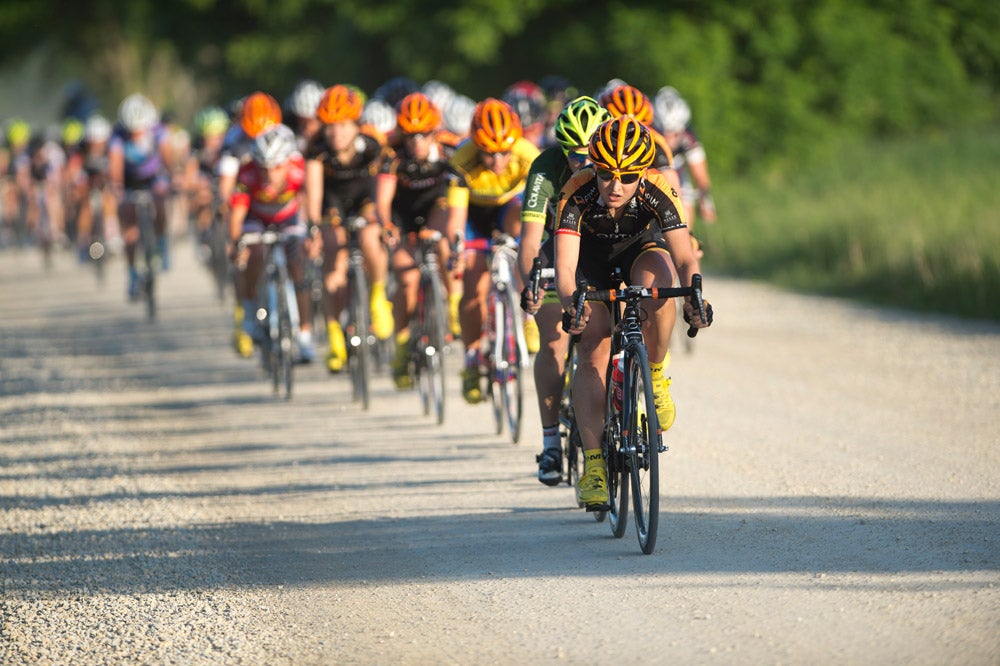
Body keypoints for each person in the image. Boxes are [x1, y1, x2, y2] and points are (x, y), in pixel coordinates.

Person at [554, 115, 713, 509]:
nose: (615, 185)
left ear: (643, 172)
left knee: (660, 285)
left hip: (641, 250)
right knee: (593, 346)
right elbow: (564, 267)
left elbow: (684, 257)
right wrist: (573, 304)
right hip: (589, 263)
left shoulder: (658, 188)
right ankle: (593, 465)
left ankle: (655, 374)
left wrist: (694, 296)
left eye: (627, 176)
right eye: (606, 174)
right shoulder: (576, 191)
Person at [518, 95, 610, 485]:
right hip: (557, 251)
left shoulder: (616, 165)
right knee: (554, 341)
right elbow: (527, 241)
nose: (583, 164)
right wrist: (531, 283)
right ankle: (551, 441)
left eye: (589, 155)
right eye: (573, 156)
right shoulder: (544, 169)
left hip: (603, 249)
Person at [445, 97, 539, 404]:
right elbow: (456, 218)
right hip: (475, 215)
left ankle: (529, 316)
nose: (498, 161)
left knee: (523, 236)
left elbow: (541, 205)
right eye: (489, 154)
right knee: (473, 285)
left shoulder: (527, 154)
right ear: (477, 146)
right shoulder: (462, 159)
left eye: (503, 153)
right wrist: (457, 247)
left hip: (510, 208)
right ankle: (472, 359)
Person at [304, 84, 395, 373]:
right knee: (334, 264)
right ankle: (334, 335)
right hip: (332, 203)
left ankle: (378, 296)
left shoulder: (372, 143)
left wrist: (384, 220)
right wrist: (313, 228)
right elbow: (313, 193)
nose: (336, 133)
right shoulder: (316, 147)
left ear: (356, 124)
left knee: (370, 238)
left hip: (365, 199)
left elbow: (385, 183)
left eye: (343, 126)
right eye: (330, 127)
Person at [374, 92, 458, 388]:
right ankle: (400, 344)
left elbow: (462, 191)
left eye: (422, 135)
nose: (415, 143)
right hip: (403, 215)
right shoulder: (392, 153)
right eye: (410, 136)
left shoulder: (450, 146)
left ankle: (454, 305)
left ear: (435, 132)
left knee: (444, 242)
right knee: (406, 279)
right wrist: (385, 225)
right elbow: (383, 199)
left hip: (437, 207)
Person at [228, 124, 315, 362]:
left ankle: (305, 335)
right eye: (264, 168)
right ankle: (248, 310)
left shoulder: (299, 171)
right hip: (256, 218)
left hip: (290, 217)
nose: (270, 174)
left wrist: (310, 235)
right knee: (254, 254)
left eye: (276, 167)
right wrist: (236, 243)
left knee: (298, 266)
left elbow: (309, 203)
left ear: (287, 162)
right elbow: (236, 213)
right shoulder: (246, 174)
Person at [108, 93, 173, 299]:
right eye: (131, 131)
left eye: (139, 130)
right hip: (129, 180)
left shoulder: (158, 131)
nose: (135, 135)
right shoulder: (117, 135)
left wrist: (172, 178)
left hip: (153, 177)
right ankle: (132, 273)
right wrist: (116, 187)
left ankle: (161, 243)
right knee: (130, 229)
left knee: (160, 203)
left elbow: (167, 158)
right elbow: (115, 164)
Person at [653, 86, 716, 234]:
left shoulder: (689, 138)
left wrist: (706, 202)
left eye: (674, 134)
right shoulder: (649, 133)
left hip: (679, 178)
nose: (669, 140)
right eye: (665, 133)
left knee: (684, 225)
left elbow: (700, 176)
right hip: (654, 178)